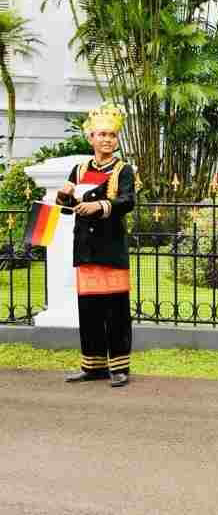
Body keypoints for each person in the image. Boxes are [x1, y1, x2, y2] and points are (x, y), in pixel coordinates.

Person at [58, 103, 136, 388]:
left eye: (112, 135)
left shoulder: (123, 170)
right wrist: (64, 196)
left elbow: (127, 201)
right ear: (90, 138)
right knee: (89, 309)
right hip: (86, 250)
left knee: (115, 310)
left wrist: (99, 206)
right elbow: (66, 210)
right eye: (101, 134)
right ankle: (92, 366)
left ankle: (119, 367)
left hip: (111, 249)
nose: (107, 140)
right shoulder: (77, 170)